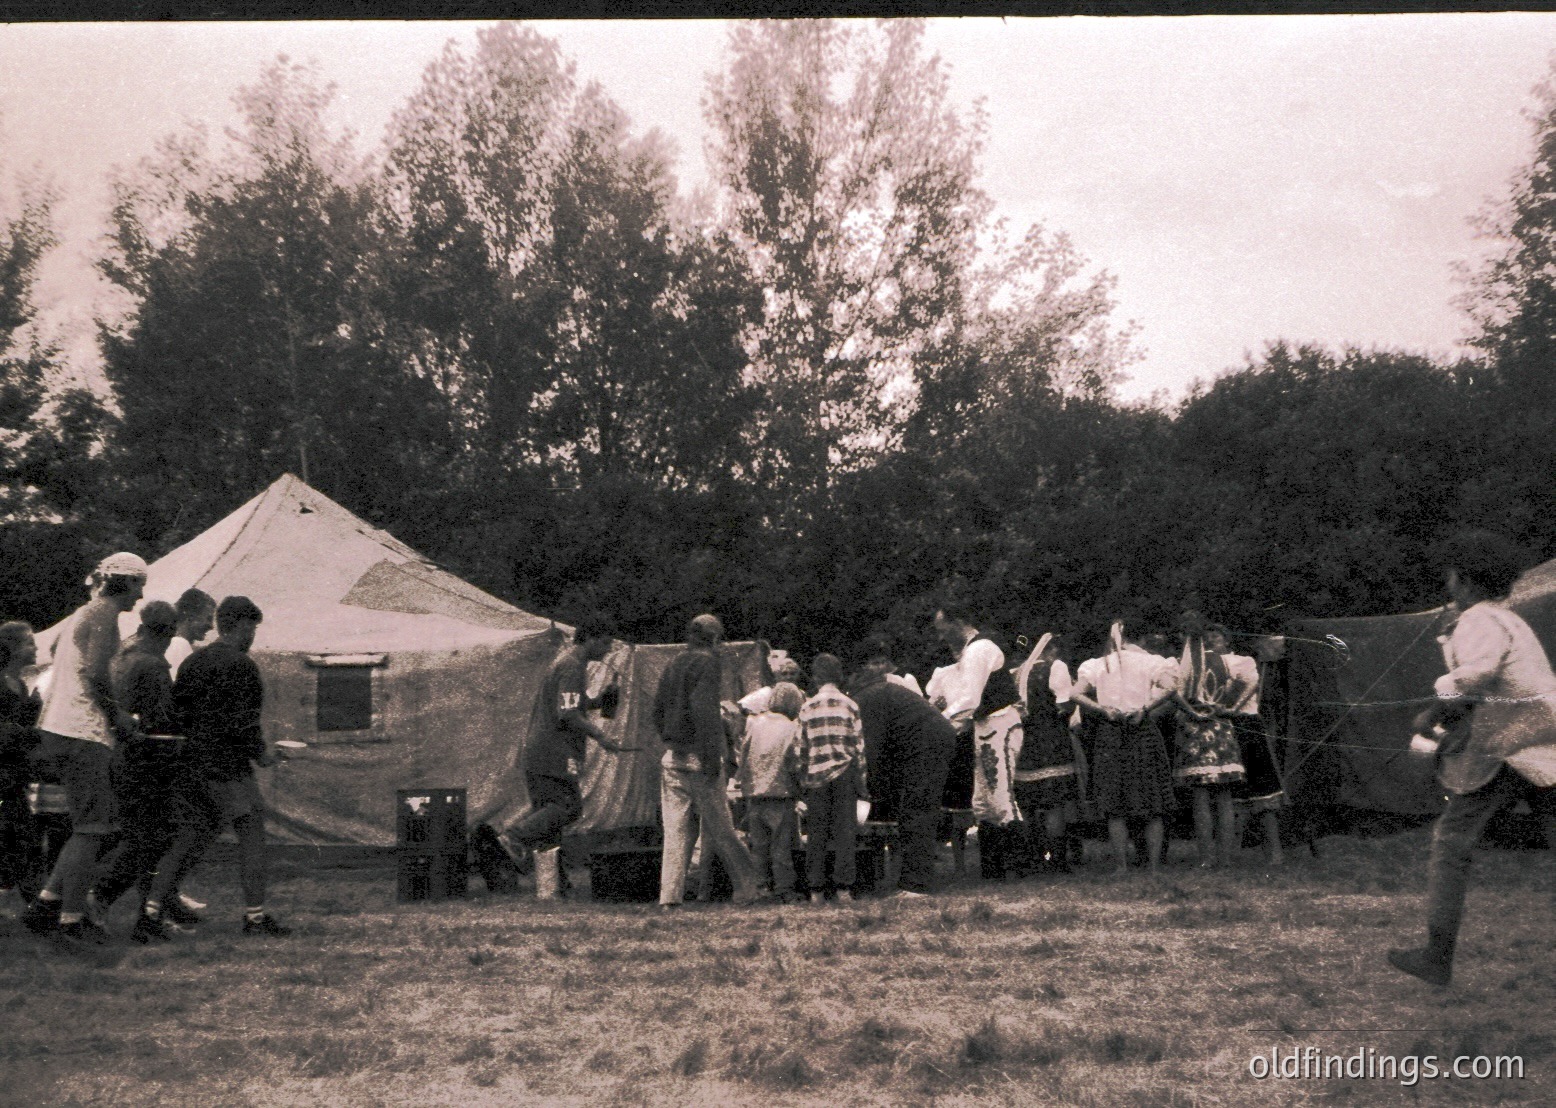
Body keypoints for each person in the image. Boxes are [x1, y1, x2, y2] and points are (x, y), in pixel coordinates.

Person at [1389, 531, 1556, 987]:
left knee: (1451, 844)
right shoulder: (1510, 620)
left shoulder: (1478, 620)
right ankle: (1437, 956)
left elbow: (1477, 676)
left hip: (1508, 743)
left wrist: (1434, 710)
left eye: (1451, 575)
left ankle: (1437, 957)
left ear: (1462, 581)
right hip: (1541, 742)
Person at [21, 552, 146, 948]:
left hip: (57, 727)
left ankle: (45, 905)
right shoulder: (105, 617)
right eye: (140, 585)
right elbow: (95, 674)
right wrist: (118, 716)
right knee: (93, 828)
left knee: (88, 825)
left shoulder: (81, 613)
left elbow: (63, 656)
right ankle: (70, 920)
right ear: (126, 583)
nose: (141, 597)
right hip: (82, 731)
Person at [144, 595, 288, 936]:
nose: (253, 636)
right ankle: (255, 917)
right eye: (252, 627)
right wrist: (263, 756)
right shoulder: (242, 665)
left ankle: (149, 913)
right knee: (252, 832)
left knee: (189, 834)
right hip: (227, 765)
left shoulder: (192, 663)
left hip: (190, 763)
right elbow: (245, 723)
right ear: (240, 625)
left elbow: (175, 713)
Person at [487, 614, 629, 894]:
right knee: (568, 807)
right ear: (591, 638)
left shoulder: (566, 662)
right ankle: (513, 838)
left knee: (548, 823)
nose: (608, 649)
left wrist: (599, 701)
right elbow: (567, 715)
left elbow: (570, 705)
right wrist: (601, 736)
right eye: (606, 643)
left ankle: (553, 886)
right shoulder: (573, 666)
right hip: (554, 750)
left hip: (538, 750)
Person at [89, 601, 191, 943]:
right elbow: (162, 718)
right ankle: (103, 897)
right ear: (170, 631)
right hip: (146, 760)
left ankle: (147, 917)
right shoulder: (152, 665)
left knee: (140, 838)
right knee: (150, 841)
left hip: (119, 757)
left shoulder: (122, 655)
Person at [653, 614, 763, 908]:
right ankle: (748, 888)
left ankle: (669, 897)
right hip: (700, 758)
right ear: (714, 638)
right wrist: (712, 756)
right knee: (722, 829)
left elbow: (658, 709)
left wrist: (669, 738)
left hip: (671, 756)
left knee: (675, 831)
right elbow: (704, 712)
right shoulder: (708, 663)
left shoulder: (674, 663)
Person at [849, 637, 958, 897]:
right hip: (930, 740)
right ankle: (913, 879)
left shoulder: (867, 700)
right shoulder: (878, 692)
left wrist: (862, 788)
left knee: (917, 810)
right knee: (915, 809)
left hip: (927, 745)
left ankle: (916, 885)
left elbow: (872, 750)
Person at [1071, 620, 1178, 874]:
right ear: (1138, 640)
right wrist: (1145, 709)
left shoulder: (1097, 664)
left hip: (1112, 728)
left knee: (1114, 802)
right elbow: (1171, 687)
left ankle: (1122, 866)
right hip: (1140, 726)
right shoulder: (1151, 662)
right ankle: (1153, 867)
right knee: (1152, 799)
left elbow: (1075, 693)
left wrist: (1102, 709)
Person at [931, 605, 1024, 881]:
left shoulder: (979, 649)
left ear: (958, 622)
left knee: (1001, 796)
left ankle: (1018, 867)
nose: (941, 638)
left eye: (943, 630)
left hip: (1000, 724)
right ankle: (993, 871)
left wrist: (939, 721)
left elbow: (970, 699)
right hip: (984, 726)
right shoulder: (972, 652)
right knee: (982, 801)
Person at [1170, 615, 1248, 868]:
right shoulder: (1226, 661)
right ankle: (1225, 857)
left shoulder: (1187, 662)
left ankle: (1206, 858)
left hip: (1196, 728)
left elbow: (1176, 693)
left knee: (1201, 797)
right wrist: (1226, 707)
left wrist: (1191, 712)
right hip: (1221, 725)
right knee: (1224, 795)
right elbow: (1243, 684)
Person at [796, 653, 868, 904]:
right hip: (844, 774)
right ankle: (843, 889)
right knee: (844, 833)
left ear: (815, 677)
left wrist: (803, 777)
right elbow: (858, 747)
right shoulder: (850, 705)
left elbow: (801, 748)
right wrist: (862, 780)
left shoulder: (807, 707)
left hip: (816, 777)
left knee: (816, 834)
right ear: (839, 675)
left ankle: (815, 890)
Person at [1011, 633, 1080, 874]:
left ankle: (1033, 858)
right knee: (1054, 804)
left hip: (1024, 742)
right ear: (1050, 650)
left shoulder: (1017, 672)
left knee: (1028, 805)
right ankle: (1058, 860)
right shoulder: (1056, 667)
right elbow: (1064, 704)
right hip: (1051, 739)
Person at [738, 681, 805, 903]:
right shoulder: (792, 727)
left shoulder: (755, 723)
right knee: (781, 846)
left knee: (759, 846)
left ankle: (761, 887)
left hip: (754, 794)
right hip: (781, 793)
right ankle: (784, 889)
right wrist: (799, 789)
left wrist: (746, 785)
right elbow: (795, 762)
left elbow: (744, 755)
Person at [0, 622, 43, 907]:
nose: (35, 648)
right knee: (20, 834)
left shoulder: (21, 683)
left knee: (19, 835)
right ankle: (35, 903)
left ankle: (29, 898)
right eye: (29, 643)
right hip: (4, 773)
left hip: (15, 773)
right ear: (12, 648)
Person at [165, 588, 216, 680]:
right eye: (208, 618)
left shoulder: (171, 642)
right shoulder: (178, 644)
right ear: (190, 617)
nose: (211, 626)